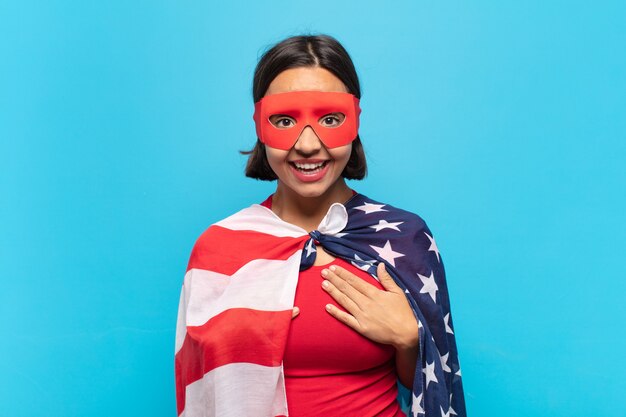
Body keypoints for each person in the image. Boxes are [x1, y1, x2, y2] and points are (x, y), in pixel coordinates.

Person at [175, 34, 466, 417]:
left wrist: (410, 338)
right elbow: (199, 389)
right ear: (260, 126)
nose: (308, 145)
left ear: (355, 121)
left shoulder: (402, 237)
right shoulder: (220, 247)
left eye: (330, 119)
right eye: (285, 120)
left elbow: (432, 386)